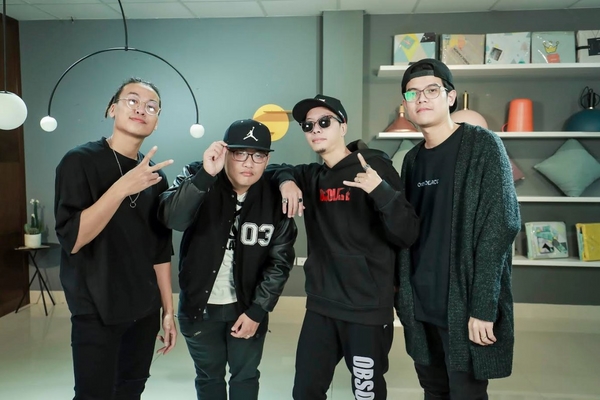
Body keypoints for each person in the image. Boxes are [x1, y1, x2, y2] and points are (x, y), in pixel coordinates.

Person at [272, 95, 420, 399]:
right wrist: (287, 182)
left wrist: (380, 191)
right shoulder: (312, 176)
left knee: (366, 394)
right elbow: (276, 168)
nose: (315, 129)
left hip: (366, 309)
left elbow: (407, 233)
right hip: (321, 306)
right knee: (305, 392)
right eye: (308, 125)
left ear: (343, 126)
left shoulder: (373, 167)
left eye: (324, 122)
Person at [395, 58, 521, 399]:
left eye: (431, 90)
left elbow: (501, 226)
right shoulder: (412, 159)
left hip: (463, 304)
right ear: (406, 104)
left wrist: (483, 307)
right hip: (421, 303)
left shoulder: (482, 145)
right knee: (433, 390)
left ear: (450, 97)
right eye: (413, 93)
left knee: (466, 393)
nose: (422, 98)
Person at [55, 77, 177, 400]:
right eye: (132, 100)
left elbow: (160, 250)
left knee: (130, 392)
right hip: (95, 309)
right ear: (112, 109)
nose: (141, 109)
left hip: (144, 310)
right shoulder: (79, 161)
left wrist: (168, 311)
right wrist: (122, 187)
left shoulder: (155, 176)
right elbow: (74, 238)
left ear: (156, 120)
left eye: (151, 106)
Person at [157, 119, 298, 400]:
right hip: (199, 308)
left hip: (247, 308)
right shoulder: (197, 175)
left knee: (245, 377)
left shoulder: (274, 196)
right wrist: (205, 176)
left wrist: (257, 311)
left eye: (258, 155)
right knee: (209, 378)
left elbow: (280, 262)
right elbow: (172, 218)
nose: (249, 163)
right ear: (225, 152)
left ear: (267, 160)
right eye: (240, 153)